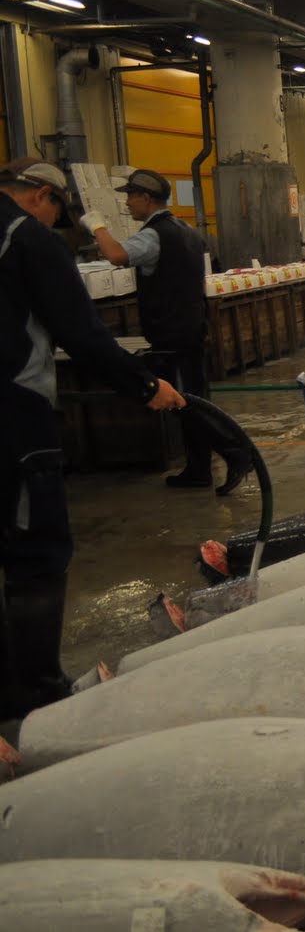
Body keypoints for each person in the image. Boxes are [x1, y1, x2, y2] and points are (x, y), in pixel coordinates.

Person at [2, 158, 186, 720]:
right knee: (35, 550)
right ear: (41, 197)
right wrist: (142, 384)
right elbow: (79, 332)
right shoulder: (29, 240)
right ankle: (35, 690)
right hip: (12, 413)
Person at [88, 168, 212, 487]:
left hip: (171, 331)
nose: (128, 203)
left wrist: (97, 225)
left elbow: (116, 256)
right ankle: (203, 464)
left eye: (131, 196)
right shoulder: (185, 229)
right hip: (193, 325)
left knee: (183, 399)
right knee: (196, 395)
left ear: (146, 198)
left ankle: (213, 463)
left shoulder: (153, 234)